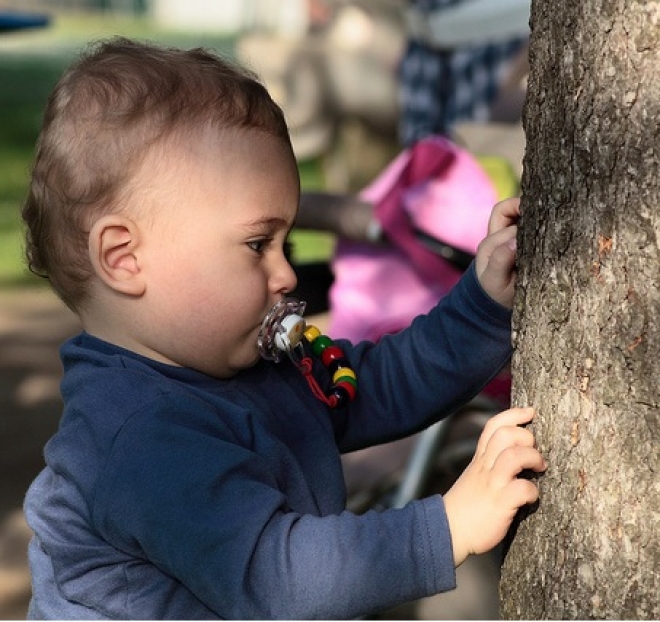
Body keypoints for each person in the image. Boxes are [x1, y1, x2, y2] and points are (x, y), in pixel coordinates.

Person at [22, 37, 546, 619]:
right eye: (257, 244)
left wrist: (481, 306)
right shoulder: (136, 437)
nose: (287, 272)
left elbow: (380, 383)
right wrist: (449, 527)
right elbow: (276, 575)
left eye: (286, 243)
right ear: (124, 259)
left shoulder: (247, 368)